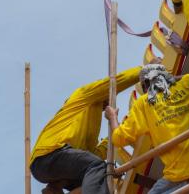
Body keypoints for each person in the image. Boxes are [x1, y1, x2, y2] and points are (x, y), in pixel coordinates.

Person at [105, 63, 189, 194]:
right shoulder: (187, 83)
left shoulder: (144, 103)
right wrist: (166, 76)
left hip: (180, 173)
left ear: (145, 85)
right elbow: (187, 77)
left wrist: (112, 117)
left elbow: (118, 138)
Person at [30, 66, 141, 194]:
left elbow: (94, 154)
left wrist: (115, 127)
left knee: (101, 179)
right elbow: (114, 83)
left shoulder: (91, 126)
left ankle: (52, 190)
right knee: (97, 168)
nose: (107, 103)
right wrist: (142, 71)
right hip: (49, 155)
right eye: (106, 98)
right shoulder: (82, 97)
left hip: (54, 169)